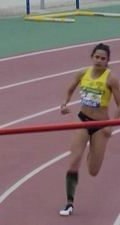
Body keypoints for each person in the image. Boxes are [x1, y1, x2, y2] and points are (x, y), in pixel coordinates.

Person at [59, 43, 120, 216]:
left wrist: (111, 124)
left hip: (101, 126)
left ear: (108, 61)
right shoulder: (82, 73)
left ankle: (92, 150)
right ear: (92, 57)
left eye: (103, 58)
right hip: (82, 121)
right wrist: (64, 104)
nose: (99, 60)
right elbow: (70, 89)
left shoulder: (111, 79)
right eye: (97, 57)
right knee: (73, 162)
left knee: (93, 171)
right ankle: (69, 203)